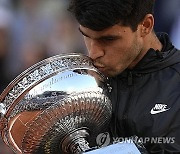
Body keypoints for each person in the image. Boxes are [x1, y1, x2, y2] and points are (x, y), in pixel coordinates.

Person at [68, 0, 180, 153]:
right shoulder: (75, 85)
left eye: (108, 39)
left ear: (145, 26)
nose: (94, 53)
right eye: (86, 36)